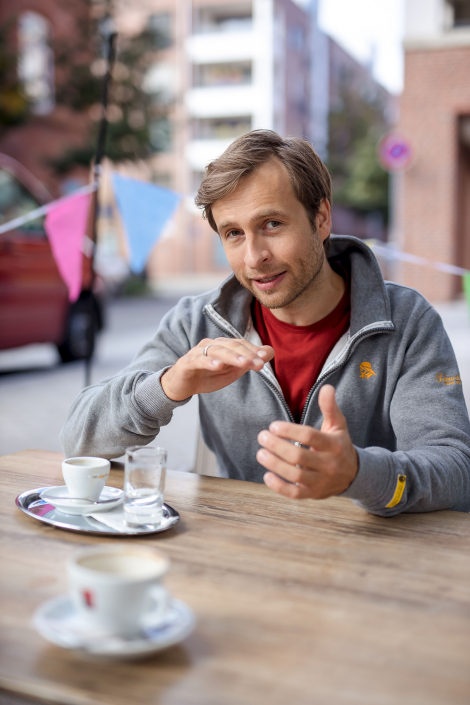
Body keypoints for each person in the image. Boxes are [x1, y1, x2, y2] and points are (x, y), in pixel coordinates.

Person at [61, 130, 470, 516]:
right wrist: (168, 385)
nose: (254, 256)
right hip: (241, 552)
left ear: (322, 218)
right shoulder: (195, 322)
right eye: (234, 233)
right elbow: (79, 440)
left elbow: (456, 472)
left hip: (368, 557)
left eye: (271, 224)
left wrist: (358, 474)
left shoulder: (407, 321)